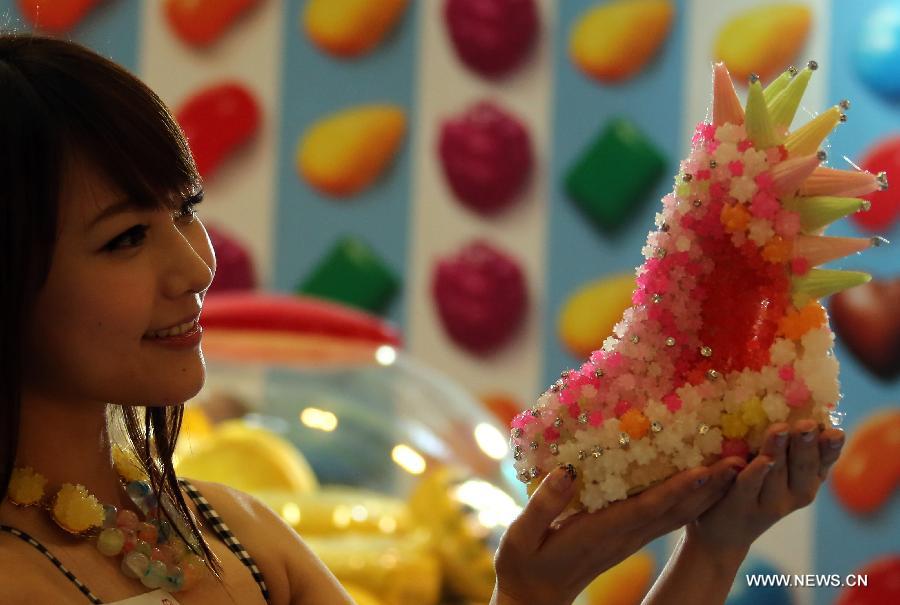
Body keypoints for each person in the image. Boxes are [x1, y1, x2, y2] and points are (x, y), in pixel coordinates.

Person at [0, 33, 845, 605]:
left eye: (185, 212)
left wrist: (715, 545)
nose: (193, 266)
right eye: (124, 239)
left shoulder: (239, 533)